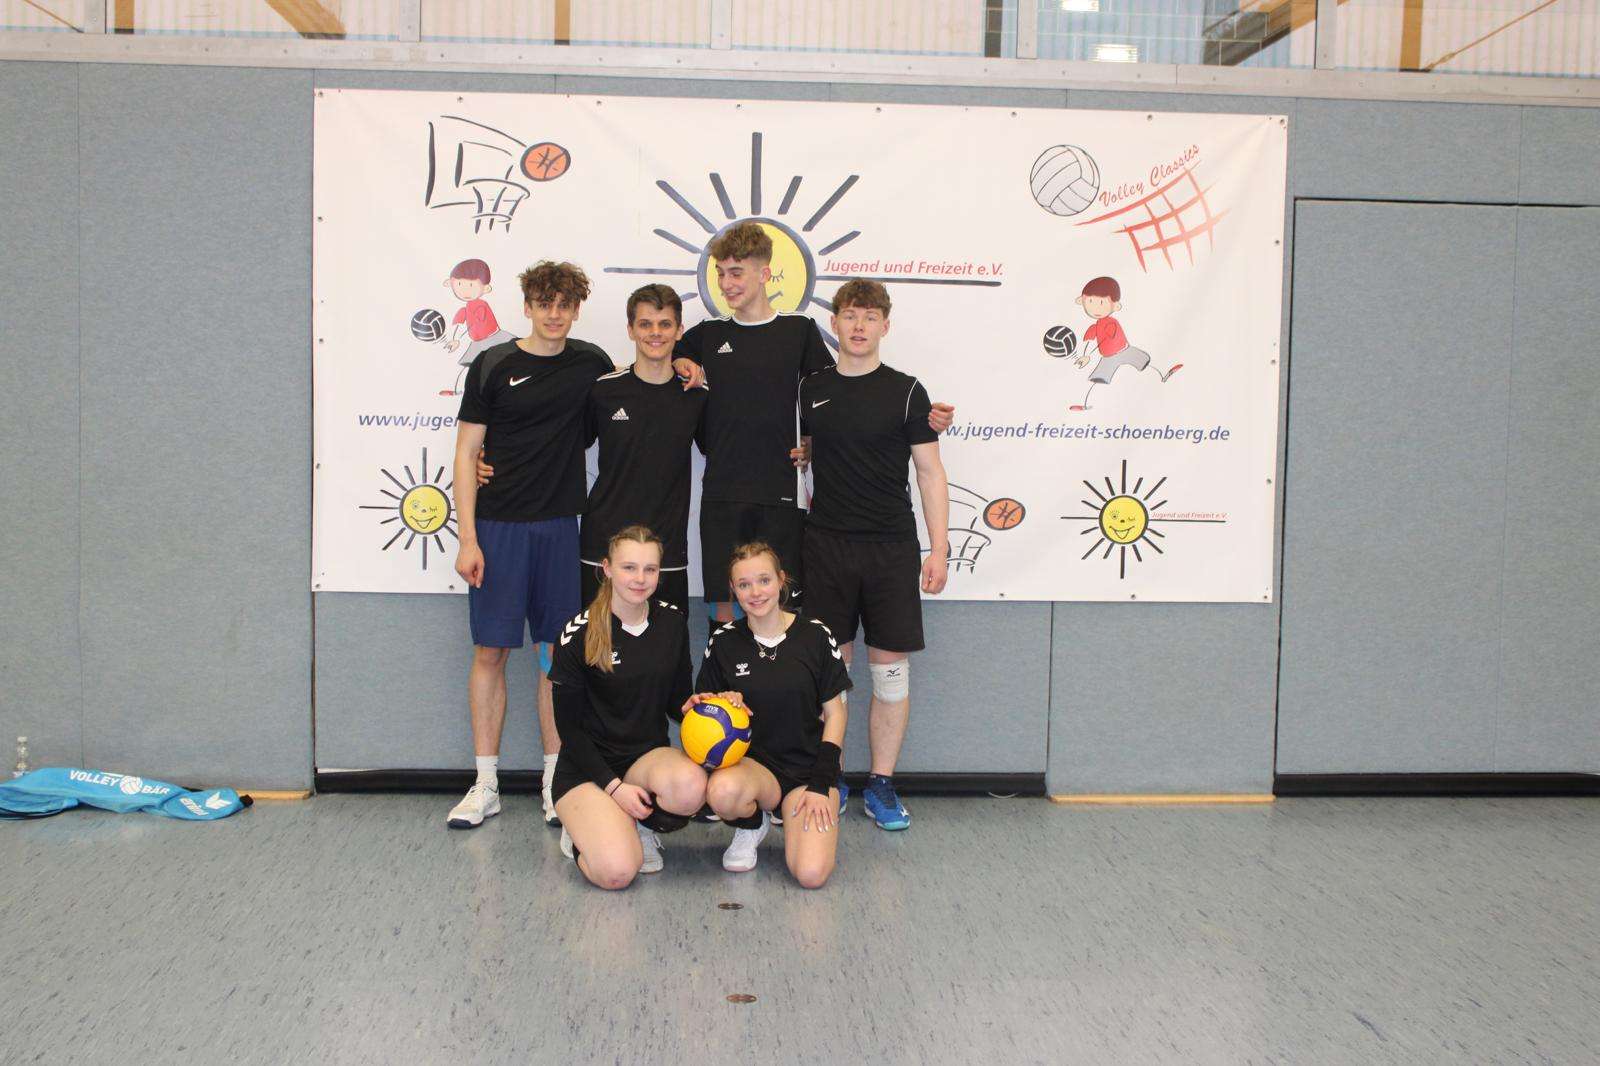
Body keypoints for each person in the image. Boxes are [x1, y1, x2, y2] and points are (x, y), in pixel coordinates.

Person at [449, 261, 615, 830]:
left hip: (560, 530)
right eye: (544, 303)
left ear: (576, 310)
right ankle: (485, 783)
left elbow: (640, 388)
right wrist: (467, 539)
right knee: (490, 653)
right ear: (527, 306)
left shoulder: (591, 364)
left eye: (564, 305)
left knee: (554, 657)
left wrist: (686, 364)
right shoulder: (493, 363)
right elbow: (466, 453)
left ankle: (554, 782)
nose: (554, 314)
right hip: (497, 529)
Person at [798, 279, 950, 832]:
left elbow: (930, 473)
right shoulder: (810, 388)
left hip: (890, 549)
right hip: (826, 547)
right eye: (849, 315)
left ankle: (882, 784)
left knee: (890, 677)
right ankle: (830, 777)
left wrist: (939, 549)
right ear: (834, 323)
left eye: (869, 316)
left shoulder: (908, 392)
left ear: (885, 325)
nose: (858, 326)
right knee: (829, 674)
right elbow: (804, 453)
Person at [478, 284, 707, 613]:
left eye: (665, 324)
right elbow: (558, 442)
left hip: (667, 548)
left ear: (679, 330)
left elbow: (724, 449)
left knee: (666, 642)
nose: (655, 333)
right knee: (597, 642)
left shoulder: (696, 395)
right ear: (630, 330)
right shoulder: (602, 390)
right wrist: (490, 455)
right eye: (645, 324)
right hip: (602, 545)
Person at [548, 526, 707, 889]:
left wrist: (701, 708)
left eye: (650, 569)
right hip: (588, 769)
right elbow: (569, 731)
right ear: (607, 568)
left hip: (644, 759)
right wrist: (614, 787)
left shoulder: (672, 622)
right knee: (617, 872)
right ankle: (583, 832)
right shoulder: (578, 634)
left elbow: (676, 701)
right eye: (629, 568)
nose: (640, 579)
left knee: (690, 788)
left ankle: (637, 825)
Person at [692, 542, 850, 887]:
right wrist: (722, 701)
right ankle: (752, 824)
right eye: (744, 584)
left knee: (810, 874)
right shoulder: (723, 640)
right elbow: (702, 708)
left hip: (807, 772)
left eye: (764, 580)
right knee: (722, 792)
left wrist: (821, 783)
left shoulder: (815, 635)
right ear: (733, 590)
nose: (755, 592)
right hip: (754, 769)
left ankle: (797, 815)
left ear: (781, 580)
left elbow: (835, 715)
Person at [1070, 275, 1182, 412]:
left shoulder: (1111, 323)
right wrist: (1086, 356)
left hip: (1124, 350)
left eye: (1101, 303)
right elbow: (1089, 341)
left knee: (1144, 363)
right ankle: (1087, 404)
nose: (1095, 308)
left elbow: (1105, 340)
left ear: (1116, 305)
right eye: (1090, 301)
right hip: (1108, 358)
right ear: (1081, 301)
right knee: (1099, 379)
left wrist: (1089, 355)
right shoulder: (1094, 327)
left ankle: (1163, 375)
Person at [441, 258, 516, 397]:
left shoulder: (481, 305)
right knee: (470, 368)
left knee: (500, 365)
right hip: (478, 342)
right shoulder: (465, 309)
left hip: (493, 338)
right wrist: (456, 340)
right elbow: (459, 325)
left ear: (486, 288)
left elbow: (474, 325)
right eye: (459, 284)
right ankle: (461, 391)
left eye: (471, 285)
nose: (464, 290)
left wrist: (460, 339)